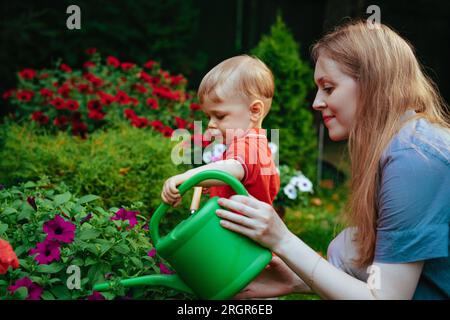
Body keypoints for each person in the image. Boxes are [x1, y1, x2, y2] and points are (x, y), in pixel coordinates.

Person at [214, 20, 450, 300]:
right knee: (348, 244)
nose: (316, 102)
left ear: (372, 84)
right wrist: (297, 279)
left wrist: (283, 240)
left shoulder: (413, 158)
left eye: (328, 88)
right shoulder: (405, 142)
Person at [161, 55, 280, 208]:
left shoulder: (250, 146)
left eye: (220, 116)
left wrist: (186, 178)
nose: (210, 124)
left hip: (236, 232)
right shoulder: (258, 146)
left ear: (254, 111)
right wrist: (215, 184)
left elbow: (231, 168)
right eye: (208, 116)